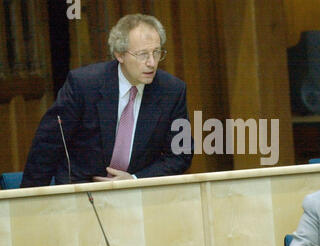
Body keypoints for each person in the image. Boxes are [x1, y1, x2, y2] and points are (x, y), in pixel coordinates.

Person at [21, 14, 193, 187]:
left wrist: (135, 179)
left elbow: (181, 154)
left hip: (139, 194)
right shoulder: (84, 85)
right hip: (81, 192)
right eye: (142, 55)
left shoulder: (172, 91)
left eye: (156, 52)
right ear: (119, 54)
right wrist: (27, 206)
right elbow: (47, 146)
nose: (152, 63)